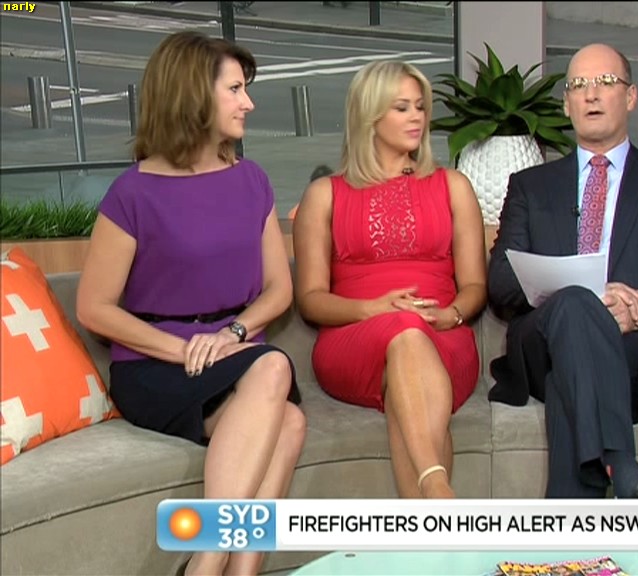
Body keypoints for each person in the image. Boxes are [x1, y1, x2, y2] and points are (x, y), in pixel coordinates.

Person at [76, 31, 305, 576]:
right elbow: (94, 308)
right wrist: (182, 350)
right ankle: (209, 561)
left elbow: (279, 289)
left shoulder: (252, 180)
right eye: (236, 89)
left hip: (234, 355)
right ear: (195, 95)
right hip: (154, 365)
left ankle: (233, 569)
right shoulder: (133, 193)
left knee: (290, 421)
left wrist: (233, 334)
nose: (249, 103)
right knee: (275, 371)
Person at [487, 43, 638, 499]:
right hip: (542, 342)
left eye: (604, 83)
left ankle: (576, 523)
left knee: (569, 379)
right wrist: (585, 299)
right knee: (577, 303)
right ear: (567, 104)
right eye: (578, 85)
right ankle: (622, 463)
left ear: (631, 97)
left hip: (636, 350)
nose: (591, 94)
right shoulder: (531, 186)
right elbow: (501, 281)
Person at [292, 60, 486, 499]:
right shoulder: (325, 194)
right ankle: (437, 488)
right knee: (405, 330)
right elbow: (311, 299)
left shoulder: (454, 186)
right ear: (370, 116)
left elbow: (475, 286)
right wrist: (374, 308)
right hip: (353, 337)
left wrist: (451, 315)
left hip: (443, 336)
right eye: (402, 108)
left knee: (410, 348)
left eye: (420, 106)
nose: (417, 117)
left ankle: (433, 495)